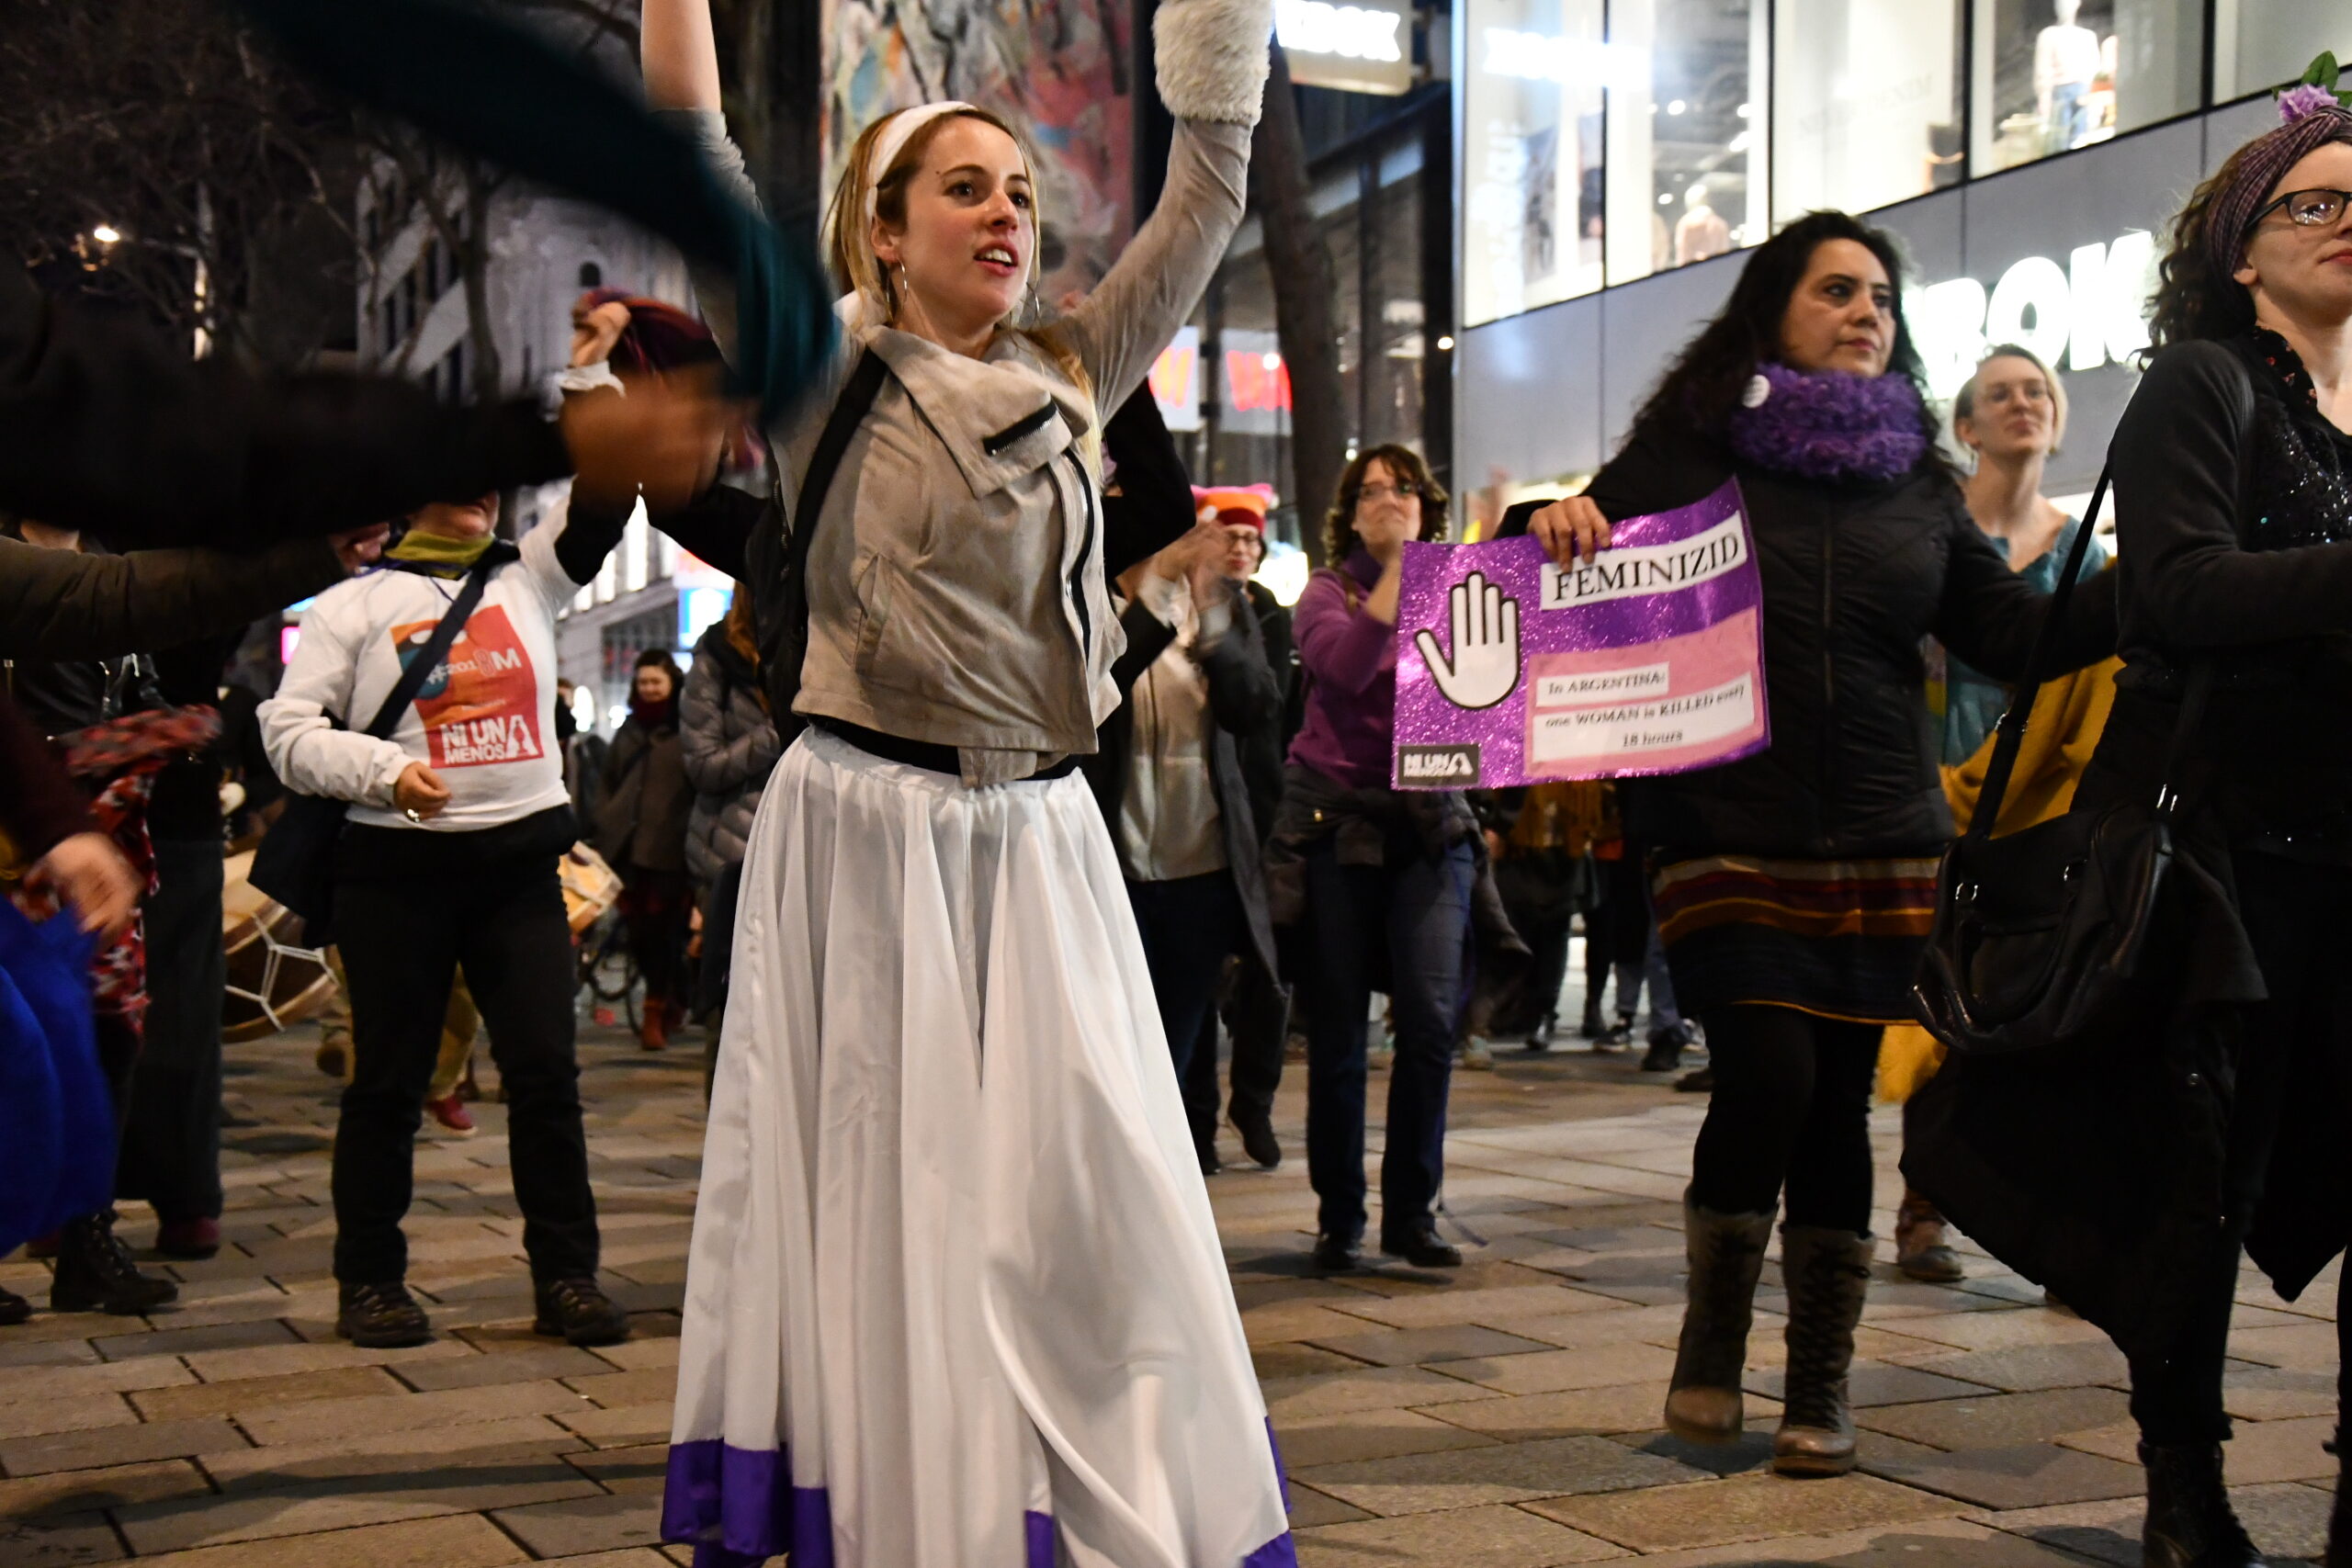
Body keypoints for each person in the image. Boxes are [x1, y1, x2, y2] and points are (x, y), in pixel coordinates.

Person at [643, 0, 1292, 1561]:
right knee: (905, 1205)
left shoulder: (1079, 369)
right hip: (871, 833)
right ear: (883, 230)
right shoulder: (818, 365)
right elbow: (693, 149)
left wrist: (1224, 32)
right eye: (965, 186)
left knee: (1097, 1192)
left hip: (1047, 837)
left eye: (1020, 190)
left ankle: (1086, 1480)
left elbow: (1207, 187)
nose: (1008, 210)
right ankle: (904, 1502)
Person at [1514, 209, 2118, 1478]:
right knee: (1770, 1072)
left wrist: (2143, 579)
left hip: (1885, 835)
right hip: (1722, 826)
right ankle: (1717, 1320)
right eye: (1838, 289)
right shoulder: (1691, 450)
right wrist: (1549, 525)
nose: (1866, 312)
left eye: (1882, 298)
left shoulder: (1917, 481)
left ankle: (1820, 1380)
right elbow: (1557, 567)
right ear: (1773, 308)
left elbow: (2009, 632)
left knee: (1841, 1099)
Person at [1907, 91, 2352, 1567]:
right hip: (2227, 853)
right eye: (2315, 200)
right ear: (2241, 246)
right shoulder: (2208, 385)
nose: (2348, 221)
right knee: (2201, 1185)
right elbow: (2181, 594)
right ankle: (2186, 1487)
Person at [261, 476, 670, 1351]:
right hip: (393, 873)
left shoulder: (530, 575)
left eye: (488, 479)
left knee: (546, 1078)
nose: (477, 495)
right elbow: (288, 731)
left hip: (519, 870)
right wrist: (383, 774)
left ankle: (567, 1275)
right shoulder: (354, 602)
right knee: (388, 1084)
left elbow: (600, 501)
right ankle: (369, 1279)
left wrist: (593, 366)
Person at [1885, 344, 2114, 1287]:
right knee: (1931, 994)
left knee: (2040, 997)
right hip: (1931, 789)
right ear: (1966, 429)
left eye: (2037, 393)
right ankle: (1924, 1200)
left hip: (2042, 804)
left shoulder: (2082, 554)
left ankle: (2054, 1218)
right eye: (1998, 395)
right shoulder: (1934, 540)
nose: (2022, 405)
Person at [1269, 445, 1501, 1274]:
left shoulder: (1464, 589)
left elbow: (1498, 680)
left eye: (1401, 487)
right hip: (1340, 825)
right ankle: (1341, 1216)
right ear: (1349, 512)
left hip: (1431, 828)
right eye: (1370, 491)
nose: (1387, 499)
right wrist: (1405, 571)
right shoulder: (1329, 591)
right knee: (1338, 1030)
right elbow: (1345, 664)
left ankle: (1412, 1212)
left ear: (1426, 502)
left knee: (1432, 1022)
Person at [1085, 482, 1284, 1178]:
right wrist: (1161, 583)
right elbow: (1096, 699)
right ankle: (1129, 1177)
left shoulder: (1222, 613)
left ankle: (1156, 1182)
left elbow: (1255, 706)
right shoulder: (1096, 612)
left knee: (1175, 1037)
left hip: (1200, 866)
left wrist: (1208, 609)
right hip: (1112, 865)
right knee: (1118, 1040)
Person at [679, 595, 781, 1063]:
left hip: (798, 845)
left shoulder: (813, 646)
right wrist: (780, 732)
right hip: (729, 859)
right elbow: (702, 765)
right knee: (735, 1017)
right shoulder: (717, 656)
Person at [595, 648, 696, 1051]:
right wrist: (604, 822)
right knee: (639, 936)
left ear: (672, 683)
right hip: (627, 849)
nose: (649, 689)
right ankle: (666, 1002)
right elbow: (609, 782)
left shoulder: (686, 728)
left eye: (656, 681)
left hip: (670, 849)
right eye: (643, 682)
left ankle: (658, 1008)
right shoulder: (629, 730)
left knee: (667, 935)